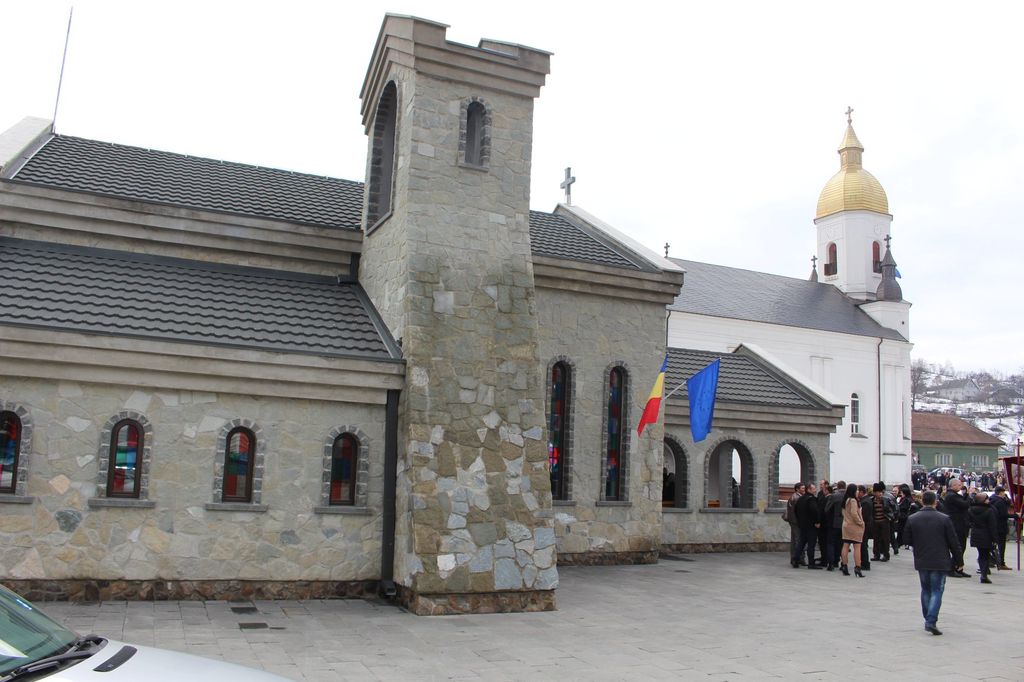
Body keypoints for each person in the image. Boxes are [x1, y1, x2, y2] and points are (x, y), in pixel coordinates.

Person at [904, 490, 962, 635]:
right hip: (940, 559)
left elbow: (906, 539)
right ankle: (930, 620)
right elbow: (953, 541)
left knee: (925, 589)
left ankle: (928, 617)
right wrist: (959, 560)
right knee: (937, 590)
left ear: (922, 501)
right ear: (935, 502)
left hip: (922, 558)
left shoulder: (913, 518)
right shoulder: (944, 519)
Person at [968, 492, 998, 583]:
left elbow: (968, 522)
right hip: (986, 534)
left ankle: (983, 572)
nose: (989, 501)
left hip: (976, 533)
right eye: (987, 499)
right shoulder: (989, 510)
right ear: (983, 500)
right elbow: (992, 526)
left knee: (981, 554)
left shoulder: (971, 509)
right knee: (985, 555)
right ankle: (984, 575)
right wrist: (995, 538)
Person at [944, 479, 971, 577]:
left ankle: (958, 567)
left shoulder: (953, 495)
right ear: (953, 485)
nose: (961, 487)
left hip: (959, 523)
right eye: (959, 485)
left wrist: (965, 495)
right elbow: (965, 504)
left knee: (961, 546)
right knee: (959, 547)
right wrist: (969, 495)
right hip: (957, 524)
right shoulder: (952, 496)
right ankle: (952, 568)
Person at [794, 483, 822, 569]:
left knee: (801, 543)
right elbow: (814, 511)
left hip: (802, 525)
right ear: (809, 489)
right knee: (811, 544)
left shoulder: (801, 498)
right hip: (811, 525)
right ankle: (811, 563)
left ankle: (796, 560)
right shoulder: (811, 499)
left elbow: (796, 510)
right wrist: (817, 521)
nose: (815, 490)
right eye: (814, 489)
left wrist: (799, 521)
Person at [840, 483, 865, 577]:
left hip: (846, 525)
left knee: (845, 545)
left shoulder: (846, 500)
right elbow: (854, 513)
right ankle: (858, 567)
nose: (858, 491)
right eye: (857, 490)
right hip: (854, 526)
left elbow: (843, 512)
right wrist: (860, 522)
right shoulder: (854, 500)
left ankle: (844, 566)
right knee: (857, 546)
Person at [823, 480, 847, 571]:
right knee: (842, 544)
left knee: (831, 543)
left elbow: (827, 509)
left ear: (838, 487)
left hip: (834, 523)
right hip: (845, 523)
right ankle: (842, 562)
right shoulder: (849, 496)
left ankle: (831, 563)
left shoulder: (833, 496)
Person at [988, 486, 1012, 570]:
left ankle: (991, 560)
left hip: (993, 525)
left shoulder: (991, 499)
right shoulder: (1000, 502)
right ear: (1001, 492)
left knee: (992, 544)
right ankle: (1001, 562)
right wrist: (1015, 515)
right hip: (1001, 526)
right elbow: (1003, 514)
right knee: (1001, 545)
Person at [785, 483, 804, 566]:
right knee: (798, 540)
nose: (804, 490)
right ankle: (797, 558)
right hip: (796, 521)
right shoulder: (796, 498)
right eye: (802, 488)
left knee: (795, 539)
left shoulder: (795, 497)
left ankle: (795, 557)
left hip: (793, 521)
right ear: (797, 489)